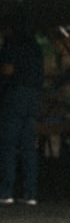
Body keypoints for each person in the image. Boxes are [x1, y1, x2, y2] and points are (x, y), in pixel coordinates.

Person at [0, 21, 45, 206]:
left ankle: (6, 192)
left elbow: (7, 70)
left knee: (8, 145)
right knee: (28, 147)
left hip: (15, 97)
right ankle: (30, 193)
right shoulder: (35, 47)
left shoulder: (11, 45)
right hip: (33, 99)